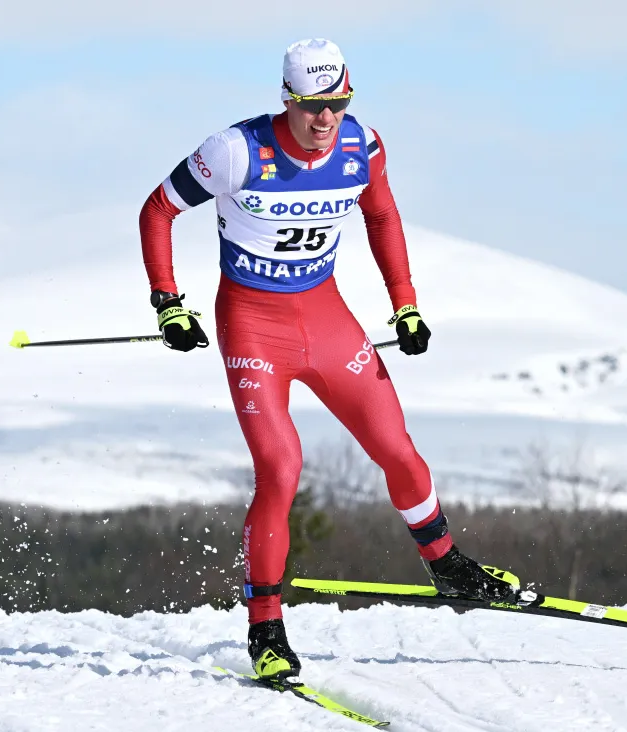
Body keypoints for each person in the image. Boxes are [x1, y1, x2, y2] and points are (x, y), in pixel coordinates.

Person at [138, 38, 518, 681]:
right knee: (283, 468)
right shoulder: (235, 151)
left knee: (396, 447)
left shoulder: (361, 146)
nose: (325, 120)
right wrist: (168, 304)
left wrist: (406, 305)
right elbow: (157, 211)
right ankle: (265, 628)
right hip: (253, 324)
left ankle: (450, 567)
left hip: (326, 318)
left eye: (338, 104)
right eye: (313, 106)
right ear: (287, 99)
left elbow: (383, 217)